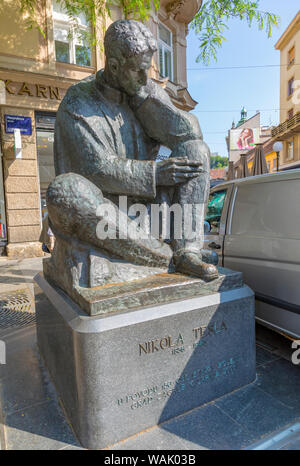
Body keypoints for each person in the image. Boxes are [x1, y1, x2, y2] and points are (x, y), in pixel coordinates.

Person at [46, 19, 218, 281]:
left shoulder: (143, 90)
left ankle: (187, 251)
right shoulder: (78, 101)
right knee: (65, 190)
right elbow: (95, 169)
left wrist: (146, 102)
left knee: (196, 150)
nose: (144, 77)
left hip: (153, 212)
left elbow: (190, 134)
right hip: (107, 215)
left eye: (146, 70)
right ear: (114, 66)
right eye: (137, 71)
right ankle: (164, 257)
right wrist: (155, 173)